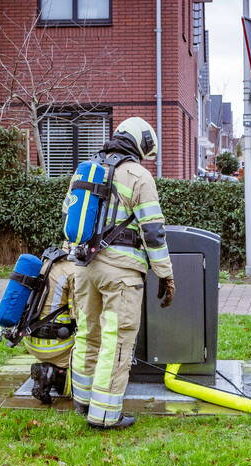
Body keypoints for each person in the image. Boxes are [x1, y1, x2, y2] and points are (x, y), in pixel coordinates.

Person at [70, 117, 175, 430]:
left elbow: (70, 217)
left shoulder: (84, 169)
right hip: (121, 275)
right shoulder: (138, 175)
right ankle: (104, 415)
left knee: (87, 334)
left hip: (84, 268)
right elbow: (153, 233)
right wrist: (165, 274)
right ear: (139, 145)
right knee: (116, 343)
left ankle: (83, 400)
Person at [26, 248, 78, 405]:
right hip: (57, 344)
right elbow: (79, 314)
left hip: (31, 338)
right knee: (76, 387)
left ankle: (49, 370)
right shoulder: (73, 271)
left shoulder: (44, 264)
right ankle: (53, 373)